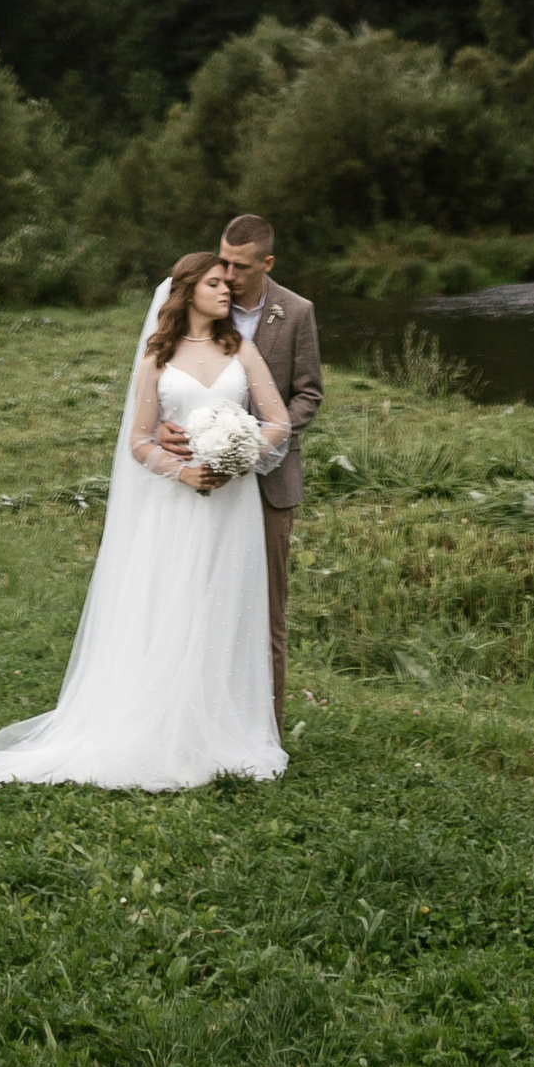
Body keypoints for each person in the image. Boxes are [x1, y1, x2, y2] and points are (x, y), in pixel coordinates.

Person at [0, 251, 290, 791]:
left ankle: (219, 726)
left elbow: (277, 420)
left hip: (233, 503)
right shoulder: (156, 359)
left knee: (224, 603)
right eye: (214, 283)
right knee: (173, 603)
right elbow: (138, 441)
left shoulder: (241, 350)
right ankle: (161, 727)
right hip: (175, 504)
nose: (226, 290)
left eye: (227, 283)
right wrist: (181, 473)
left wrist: (241, 453)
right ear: (186, 292)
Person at [212, 214, 322, 739]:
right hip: (208, 475)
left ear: (267, 263)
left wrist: (264, 438)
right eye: (224, 261)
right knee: (211, 596)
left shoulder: (297, 311)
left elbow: (309, 393)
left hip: (272, 483)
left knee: (267, 606)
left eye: (239, 266)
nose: (228, 273)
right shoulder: (204, 301)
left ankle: (267, 730)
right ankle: (208, 717)